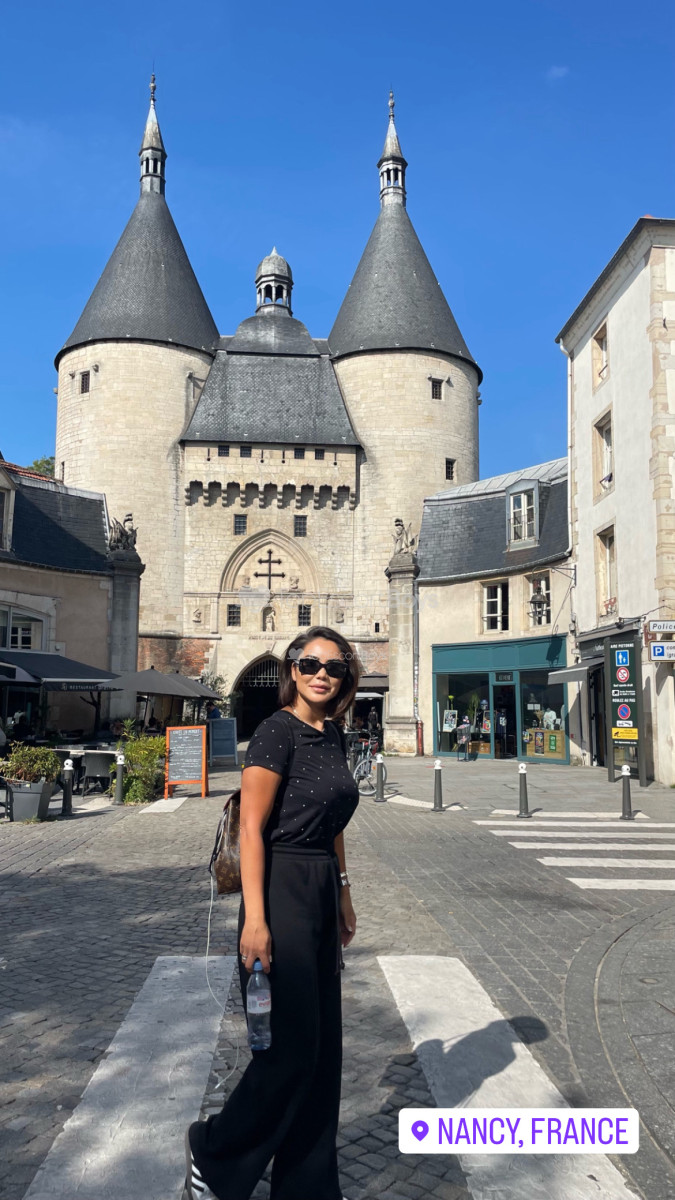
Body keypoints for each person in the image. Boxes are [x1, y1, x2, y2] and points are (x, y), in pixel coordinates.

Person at [185, 625, 359, 1200]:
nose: (321, 675)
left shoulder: (333, 735)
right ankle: (214, 1152)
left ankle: (308, 1188)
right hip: (280, 887)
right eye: (310, 664)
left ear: (345, 677)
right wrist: (256, 920)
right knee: (287, 1051)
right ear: (292, 670)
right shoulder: (274, 732)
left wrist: (344, 890)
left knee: (322, 1053)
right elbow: (253, 830)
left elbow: (333, 822)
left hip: (320, 887)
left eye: (333, 667)